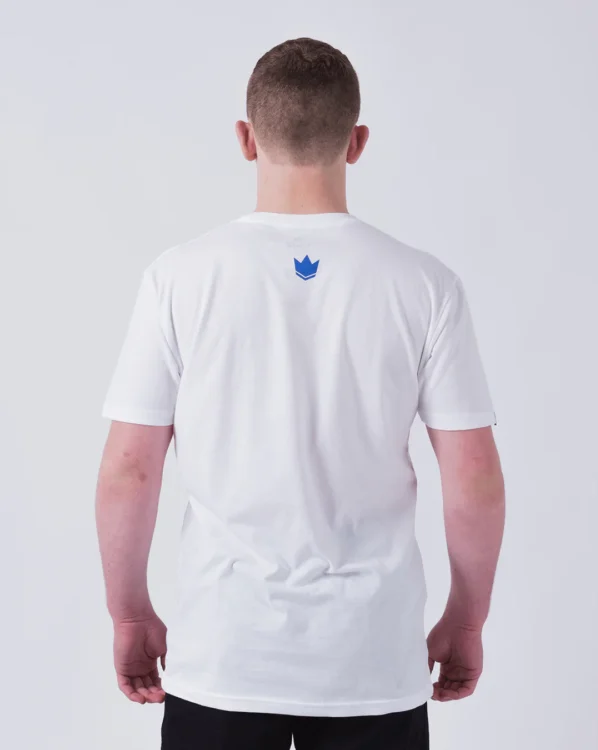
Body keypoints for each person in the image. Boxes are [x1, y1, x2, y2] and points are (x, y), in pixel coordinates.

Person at [96, 37, 505, 750]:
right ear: (358, 142)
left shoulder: (179, 278)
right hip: (372, 662)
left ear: (245, 139)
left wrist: (129, 614)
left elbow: (129, 471)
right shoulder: (424, 285)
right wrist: (467, 620)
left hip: (223, 656)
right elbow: (473, 478)